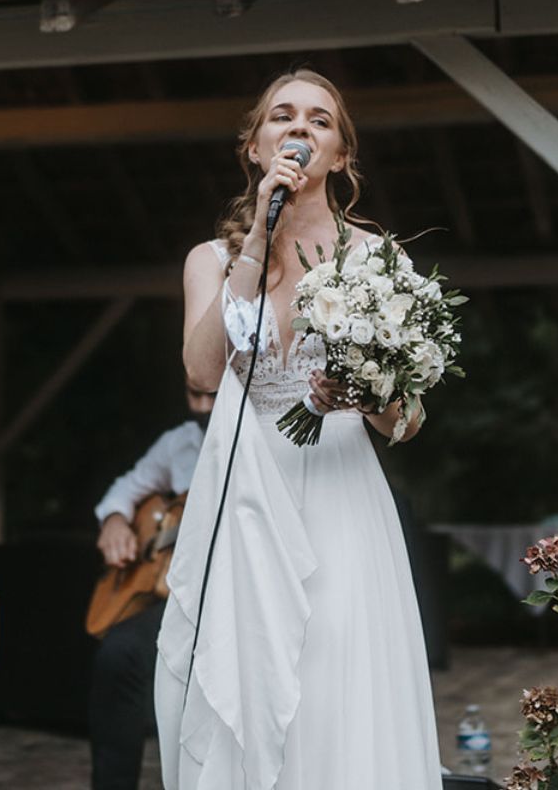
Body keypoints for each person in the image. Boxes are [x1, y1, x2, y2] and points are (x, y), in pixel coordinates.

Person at [156, 67, 442, 789]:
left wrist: (365, 398)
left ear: (341, 155)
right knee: (246, 669)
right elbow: (202, 369)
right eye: (282, 118)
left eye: (319, 120)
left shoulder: (382, 263)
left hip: (343, 495)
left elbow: (408, 420)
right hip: (245, 490)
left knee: (335, 675)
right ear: (256, 148)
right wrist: (259, 230)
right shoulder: (212, 260)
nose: (299, 131)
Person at [89, 385, 216, 790]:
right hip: (179, 596)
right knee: (117, 654)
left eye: (211, 395)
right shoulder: (178, 442)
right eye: (193, 395)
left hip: (234, 597)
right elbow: (126, 488)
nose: (202, 407)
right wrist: (114, 520)